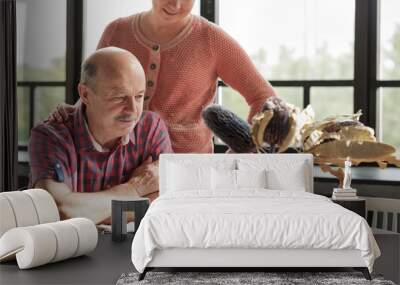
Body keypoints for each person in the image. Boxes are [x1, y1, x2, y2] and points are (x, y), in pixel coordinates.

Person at [51, 0, 277, 153]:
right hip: (119, 166)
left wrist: (242, 148)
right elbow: (94, 93)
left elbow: (263, 98)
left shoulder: (212, 39)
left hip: (187, 171)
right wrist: (74, 111)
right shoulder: (117, 31)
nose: (176, 4)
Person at [28, 47, 172, 224]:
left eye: (139, 96)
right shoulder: (51, 137)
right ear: (85, 94)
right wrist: (135, 188)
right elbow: (58, 212)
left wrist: (91, 211)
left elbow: (166, 205)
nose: (133, 111)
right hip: (71, 250)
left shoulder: (151, 128)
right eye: (119, 97)